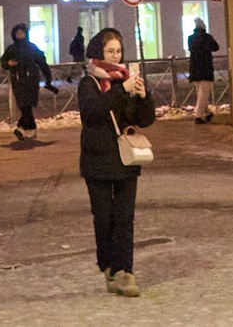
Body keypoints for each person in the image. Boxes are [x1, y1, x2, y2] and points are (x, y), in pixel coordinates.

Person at [76, 27, 156, 299]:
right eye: (110, 51)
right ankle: (109, 266)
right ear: (100, 52)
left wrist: (144, 96)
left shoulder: (127, 80)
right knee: (104, 218)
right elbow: (92, 113)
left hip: (125, 158)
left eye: (118, 51)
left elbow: (143, 120)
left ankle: (125, 272)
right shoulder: (89, 82)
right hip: (97, 160)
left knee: (125, 219)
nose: (115, 55)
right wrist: (121, 89)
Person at [0, 23, 55, 138]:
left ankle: (21, 128)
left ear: (26, 34)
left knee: (27, 105)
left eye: (22, 33)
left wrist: (48, 78)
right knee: (23, 106)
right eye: (17, 33)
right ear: (14, 35)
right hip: (17, 81)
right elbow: (3, 61)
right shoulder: (12, 48)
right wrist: (8, 63)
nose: (20, 35)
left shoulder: (32, 47)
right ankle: (31, 129)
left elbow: (42, 63)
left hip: (31, 80)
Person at [186, 18, 219, 122]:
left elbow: (191, 49)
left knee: (201, 94)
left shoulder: (190, 38)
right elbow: (216, 47)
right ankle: (198, 117)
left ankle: (208, 113)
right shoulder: (207, 38)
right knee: (203, 95)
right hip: (205, 69)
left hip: (194, 69)